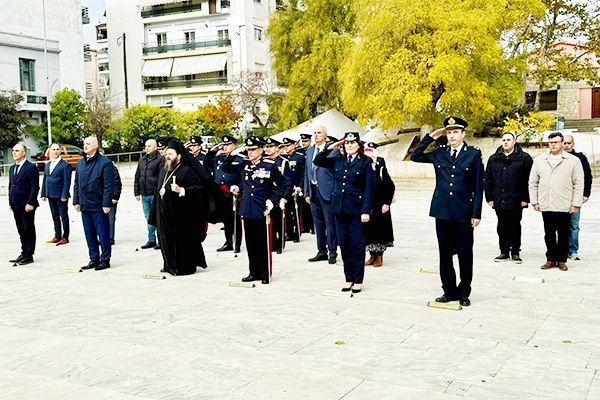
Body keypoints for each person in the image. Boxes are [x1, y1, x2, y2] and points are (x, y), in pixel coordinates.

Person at [410, 117, 484, 307]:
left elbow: (478, 186)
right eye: (449, 132)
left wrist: (476, 214)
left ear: (463, 134)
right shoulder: (440, 153)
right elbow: (415, 155)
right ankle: (449, 290)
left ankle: (464, 291)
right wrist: (430, 137)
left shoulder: (473, 154)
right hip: (442, 210)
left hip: (463, 211)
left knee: (465, 253)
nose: (452, 136)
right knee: (444, 254)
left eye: (456, 132)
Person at [313, 132, 375, 293]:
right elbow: (318, 160)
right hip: (339, 208)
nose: (349, 145)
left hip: (357, 209)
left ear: (359, 145)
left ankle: (358, 279)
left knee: (357, 245)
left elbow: (369, 188)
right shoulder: (338, 160)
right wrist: (331, 147)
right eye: (347, 143)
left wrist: (366, 211)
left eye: (353, 142)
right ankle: (349, 278)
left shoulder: (365, 162)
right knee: (345, 244)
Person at [225, 136, 290, 284]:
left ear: (261, 150)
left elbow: (284, 183)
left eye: (253, 149)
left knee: (263, 244)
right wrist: (233, 154)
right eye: (248, 149)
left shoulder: (269, 165)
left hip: (262, 209)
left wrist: (273, 200)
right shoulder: (244, 164)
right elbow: (226, 168)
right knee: (251, 243)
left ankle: (265, 273)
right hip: (248, 208)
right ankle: (253, 272)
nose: (250, 152)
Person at [150, 139, 211, 276]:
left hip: (182, 214)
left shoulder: (187, 170)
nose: (167, 156)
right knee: (165, 239)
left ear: (179, 156)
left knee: (181, 241)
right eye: (167, 154)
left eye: (171, 154)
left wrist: (182, 190)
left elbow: (200, 189)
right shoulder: (164, 170)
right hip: (164, 212)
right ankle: (169, 264)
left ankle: (184, 267)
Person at [529, 132, 584, 271]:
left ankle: (561, 260)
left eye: (556, 142)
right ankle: (551, 259)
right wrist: (535, 201)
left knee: (564, 233)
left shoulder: (573, 161)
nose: (553, 145)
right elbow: (533, 182)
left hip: (564, 204)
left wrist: (576, 203)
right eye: (551, 142)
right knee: (549, 234)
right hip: (546, 203)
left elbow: (578, 183)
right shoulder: (540, 160)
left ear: (562, 143)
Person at [484, 132, 533, 264]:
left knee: (515, 225)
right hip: (499, 198)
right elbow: (488, 179)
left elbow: (529, 179)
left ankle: (515, 252)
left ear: (514, 142)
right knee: (501, 225)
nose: (506, 142)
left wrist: (526, 198)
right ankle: (504, 252)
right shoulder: (494, 158)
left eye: (508, 140)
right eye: (504, 140)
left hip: (516, 199)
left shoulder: (524, 158)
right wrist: (489, 198)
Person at [73, 136, 115, 271]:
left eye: (88, 144)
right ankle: (94, 258)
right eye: (84, 143)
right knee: (89, 234)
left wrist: (106, 204)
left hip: (98, 205)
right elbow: (77, 183)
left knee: (103, 234)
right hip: (84, 205)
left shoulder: (105, 163)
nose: (85, 146)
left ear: (95, 146)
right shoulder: (80, 163)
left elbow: (108, 185)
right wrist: (76, 201)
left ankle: (105, 259)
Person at [304, 125, 338, 264]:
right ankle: (321, 251)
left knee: (330, 223)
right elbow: (307, 172)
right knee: (318, 223)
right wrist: (307, 192)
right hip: (313, 191)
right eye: (315, 133)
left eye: (319, 133)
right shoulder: (310, 150)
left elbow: (335, 172)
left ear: (325, 135)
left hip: (327, 191)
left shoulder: (332, 150)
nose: (316, 135)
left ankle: (332, 251)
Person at [204, 135, 243, 252]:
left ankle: (237, 243)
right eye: (224, 145)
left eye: (228, 145)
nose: (225, 147)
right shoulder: (219, 158)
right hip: (220, 192)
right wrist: (213, 150)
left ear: (234, 146)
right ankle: (228, 242)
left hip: (233, 192)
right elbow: (206, 163)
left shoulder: (240, 159)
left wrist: (239, 188)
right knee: (226, 219)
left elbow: (244, 177)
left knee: (235, 219)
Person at [363, 142, 395, 267]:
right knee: (369, 229)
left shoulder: (380, 167)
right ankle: (372, 255)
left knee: (380, 230)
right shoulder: (362, 167)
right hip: (367, 203)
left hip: (380, 204)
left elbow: (390, 186)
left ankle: (379, 256)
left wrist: (387, 203)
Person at [8, 143, 39, 266]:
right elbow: (11, 186)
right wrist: (10, 202)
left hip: (27, 205)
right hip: (16, 204)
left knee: (28, 228)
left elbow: (35, 187)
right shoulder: (12, 168)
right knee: (20, 229)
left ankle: (29, 254)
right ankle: (23, 252)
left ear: (23, 153)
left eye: (17, 150)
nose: (14, 153)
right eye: (13, 150)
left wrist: (30, 202)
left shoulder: (30, 168)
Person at [563, 135, 593, 260]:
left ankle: (572, 250)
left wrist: (586, 194)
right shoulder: (557, 158)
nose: (566, 145)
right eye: (564, 143)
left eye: (569, 143)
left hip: (575, 197)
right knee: (560, 225)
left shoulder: (580, 158)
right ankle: (561, 250)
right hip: (560, 197)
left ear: (573, 144)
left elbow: (588, 176)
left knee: (574, 225)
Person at [263, 137, 293, 254]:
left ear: (277, 148)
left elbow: (288, 182)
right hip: (268, 195)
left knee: (278, 221)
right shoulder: (264, 161)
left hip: (279, 195)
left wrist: (284, 197)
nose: (268, 149)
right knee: (268, 221)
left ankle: (280, 244)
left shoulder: (283, 162)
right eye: (267, 147)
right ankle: (272, 243)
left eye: (271, 147)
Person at [134, 139, 163, 250]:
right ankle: (151, 240)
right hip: (144, 194)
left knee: (158, 217)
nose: (146, 148)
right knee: (148, 218)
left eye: (149, 146)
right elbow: (137, 176)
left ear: (155, 147)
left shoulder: (160, 159)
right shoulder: (142, 159)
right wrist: (136, 192)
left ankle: (161, 240)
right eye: (146, 146)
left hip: (155, 194)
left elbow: (161, 177)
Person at [40, 143, 72, 246]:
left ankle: (65, 237)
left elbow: (67, 182)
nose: (55, 151)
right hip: (50, 194)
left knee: (63, 216)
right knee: (55, 216)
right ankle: (57, 236)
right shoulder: (48, 164)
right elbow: (45, 179)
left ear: (60, 150)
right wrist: (43, 193)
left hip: (60, 195)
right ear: (50, 151)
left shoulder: (65, 165)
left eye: (57, 149)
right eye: (53, 149)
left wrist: (64, 195)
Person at [282, 137, 305, 243]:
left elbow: (303, 174)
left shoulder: (299, 157)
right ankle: (290, 233)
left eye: (288, 145)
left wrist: (300, 186)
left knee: (295, 212)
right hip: (287, 188)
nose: (286, 148)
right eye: (285, 146)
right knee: (287, 212)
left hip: (296, 188)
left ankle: (297, 233)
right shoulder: (283, 158)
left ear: (293, 145)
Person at [298, 133, 314, 234]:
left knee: (309, 206)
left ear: (310, 141)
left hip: (309, 179)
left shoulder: (312, 150)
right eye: (302, 141)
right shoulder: (299, 152)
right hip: (301, 180)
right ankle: (304, 226)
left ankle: (312, 226)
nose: (303, 143)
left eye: (305, 141)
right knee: (302, 207)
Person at [108, 163, 122, 245]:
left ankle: (110, 238)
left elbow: (117, 183)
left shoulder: (111, 168)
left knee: (110, 219)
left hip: (111, 198)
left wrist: (115, 197)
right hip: (99, 199)